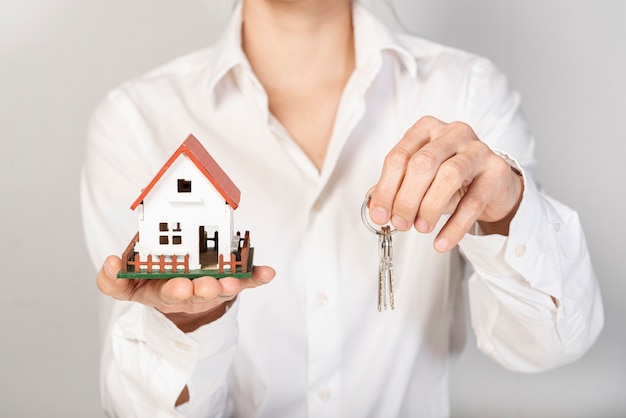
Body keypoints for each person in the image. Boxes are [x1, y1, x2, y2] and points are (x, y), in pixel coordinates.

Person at [81, 0, 604, 416]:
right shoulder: (136, 120)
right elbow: (134, 409)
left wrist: (505, 209)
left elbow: (551, 344)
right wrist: (188, 327)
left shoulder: (464, 90)